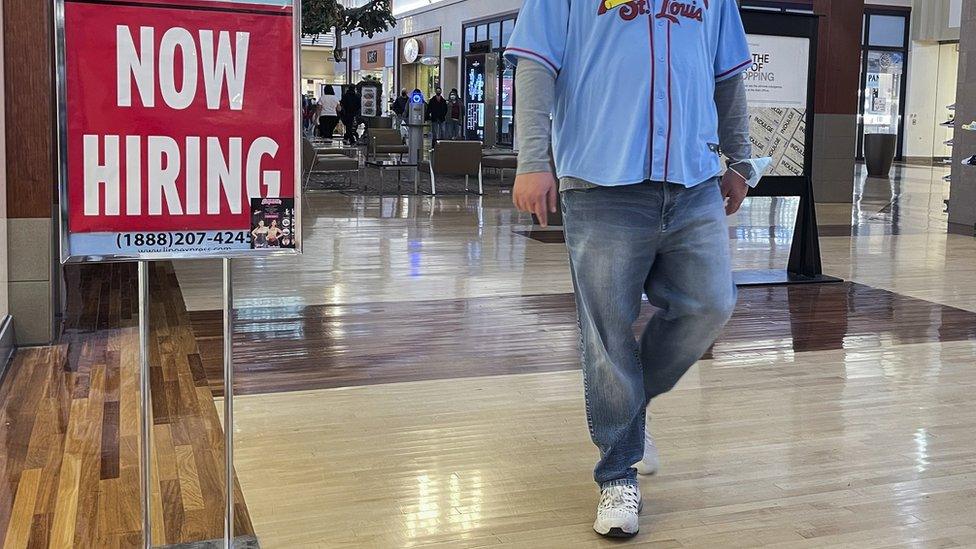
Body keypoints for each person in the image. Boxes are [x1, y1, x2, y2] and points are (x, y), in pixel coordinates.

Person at [507, 0, 755, 539]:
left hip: (694, 180)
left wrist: (740, 159)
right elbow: (535, 66)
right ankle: (617, 475)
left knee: (711, 302)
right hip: (601, 183)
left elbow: (728, 76)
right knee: (608, 335)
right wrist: (531, 160)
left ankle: (629, 416)